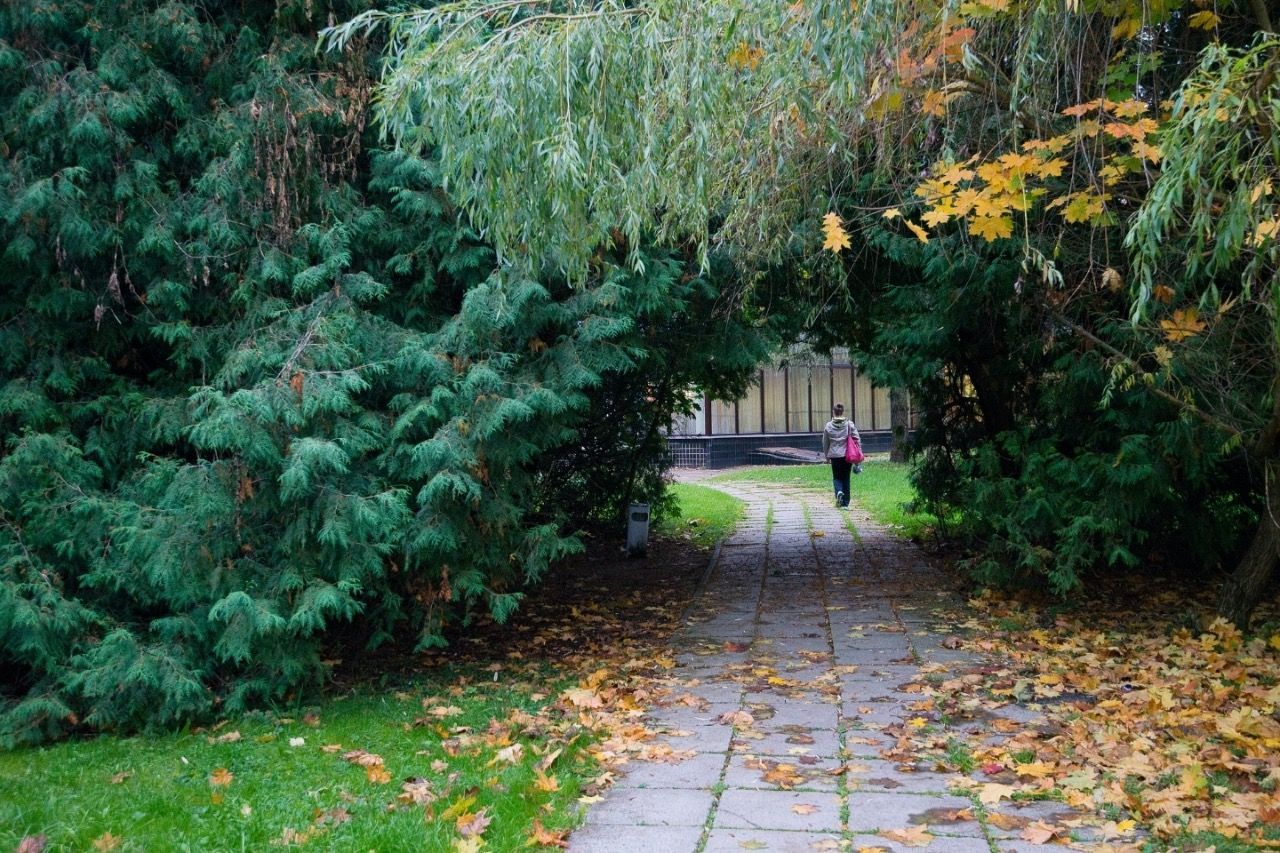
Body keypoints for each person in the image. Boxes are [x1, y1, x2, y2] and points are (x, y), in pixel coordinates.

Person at [822, 403, 861, 509]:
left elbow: (825, 443)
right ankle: (845, 504)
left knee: (837, 477)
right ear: (842, 412)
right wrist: (858, 456)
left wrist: (827, 456)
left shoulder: (828, 426)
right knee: (846, 478)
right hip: (847, 455)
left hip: (834, 456)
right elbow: (857, 439)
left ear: (833, 412)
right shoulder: (849, 424)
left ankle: (839, 491)